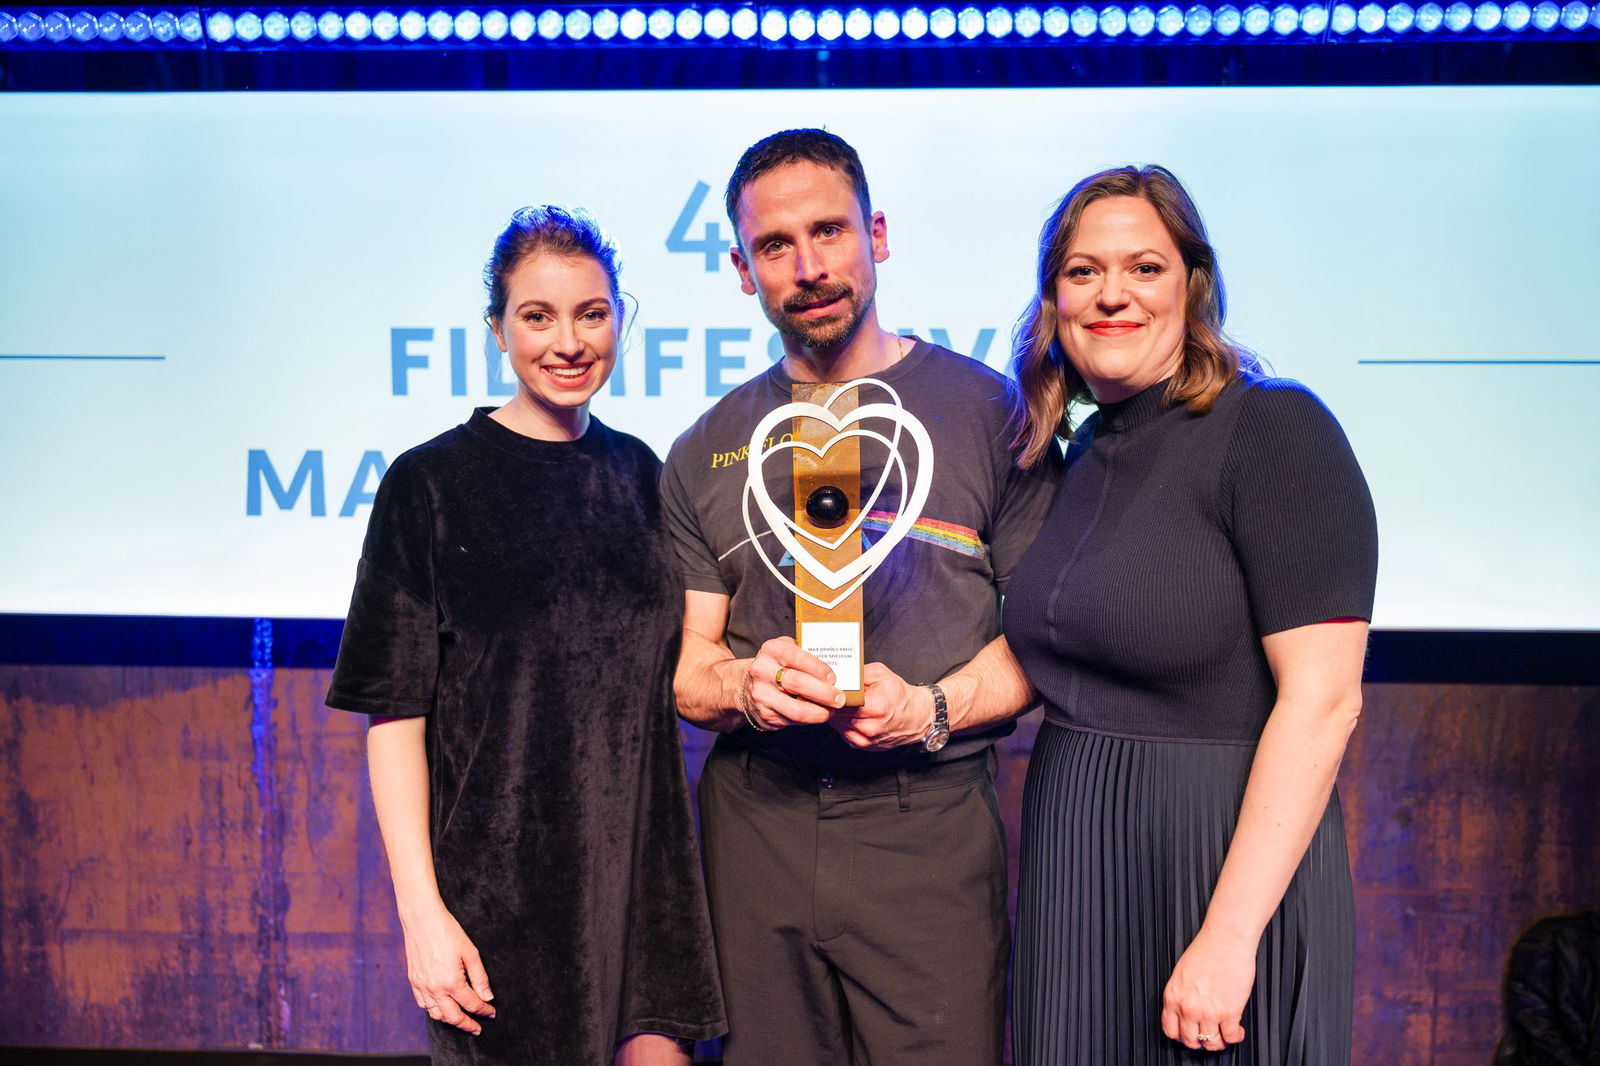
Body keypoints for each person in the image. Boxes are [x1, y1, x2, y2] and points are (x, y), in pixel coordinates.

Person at [883, 164, 1376, 1064]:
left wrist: (1229, 941)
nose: (1112, 294)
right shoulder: (1077, 456)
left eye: (1144, 268)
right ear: (1052, 301)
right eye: (1083, 271)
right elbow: (1047, 652)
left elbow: (1325, 703)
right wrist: (928, 708)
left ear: (1193, 285)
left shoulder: (1273, 428)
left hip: (1216, 874)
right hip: (1078, 878)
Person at [661, 128, 1061, 1065]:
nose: (809, 266)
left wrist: (928, 708)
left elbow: (1040, 643)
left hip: (928, 824)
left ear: (876, 234)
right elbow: (691, 671)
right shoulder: (701, 450)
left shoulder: (994, 415)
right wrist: (748, 688)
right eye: (775, 245)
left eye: (830, 231)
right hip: (757, 825)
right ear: (740, 267)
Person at [326, 206, 725, 1066]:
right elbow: (393, 718)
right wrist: (421, 916)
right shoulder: (428, 484)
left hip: (644, 893)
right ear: (497, 330)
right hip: (497, 907)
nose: (569, 341)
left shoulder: (645, 477)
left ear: (620, 318)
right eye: (537, 316)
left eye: (592, 312)